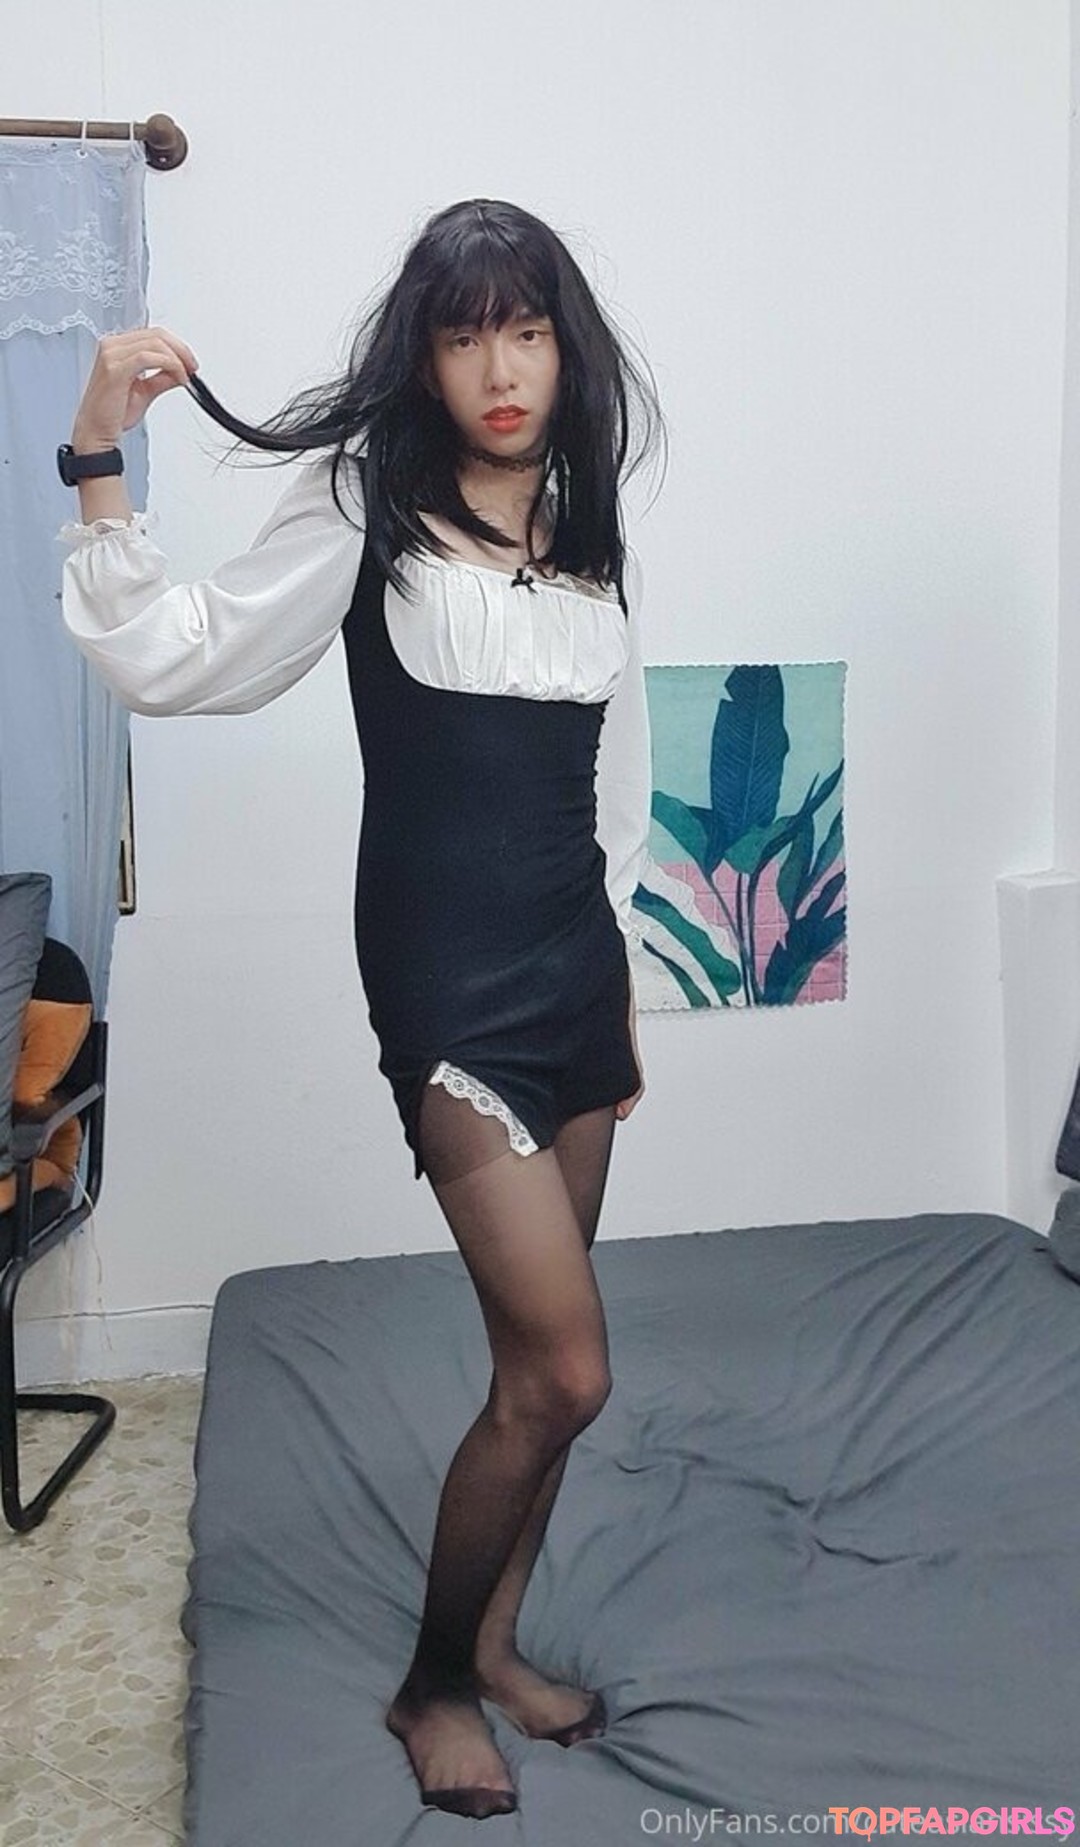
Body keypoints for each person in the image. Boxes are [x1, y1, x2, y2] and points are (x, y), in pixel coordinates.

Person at [59, 197, 663, 1821]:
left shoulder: (587, 518)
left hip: (576, 976)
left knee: (534, 1367)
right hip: (449, 985)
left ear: (566, 347)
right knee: (568, 1373)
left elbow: (618, 773)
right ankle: (432, 1683)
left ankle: (498, 1645)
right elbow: (178, 659)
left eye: (526, 330)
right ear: (426, 354)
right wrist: (97, 458)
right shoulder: (366, 499)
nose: (501, 370)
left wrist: (616, 984)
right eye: (465, 336)